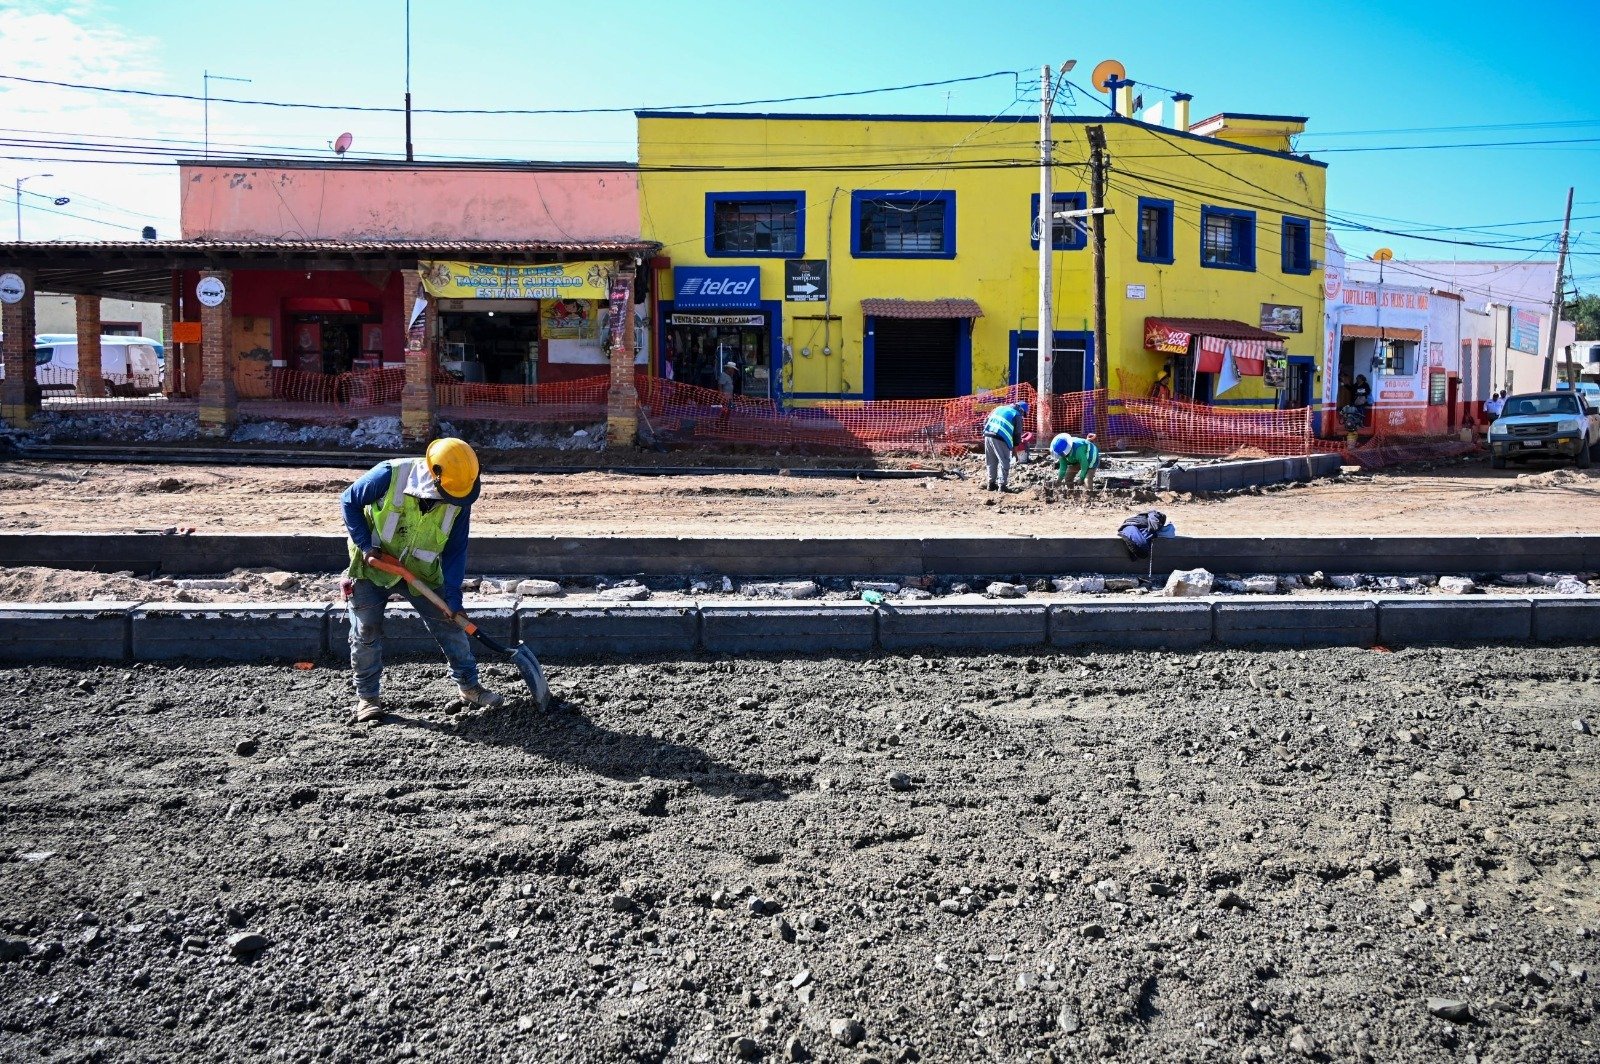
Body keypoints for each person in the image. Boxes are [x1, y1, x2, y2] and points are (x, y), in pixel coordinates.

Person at [341, 438, 501, 723]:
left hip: (420, 568)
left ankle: (470, 687)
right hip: (373, 565)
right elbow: (349, 500)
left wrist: (454, 598)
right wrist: (366, 547)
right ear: (434, 473)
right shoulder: (390, 474)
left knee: (450, 624)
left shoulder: (459, 497)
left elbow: (455, 549)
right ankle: (367, 699)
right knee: (366, 630)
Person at [982, 399, 1029, 492]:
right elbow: (1017, 435)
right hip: (1000, 437)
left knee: (991, 461)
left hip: (987, 435)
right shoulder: (1017, 415)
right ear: (1022, 410)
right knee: (1004, 461)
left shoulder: (999, 408)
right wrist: (1015, 451)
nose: (1023, 416)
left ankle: (991, 484)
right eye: (1024, 414)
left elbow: (985, 421)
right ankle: (1002, 486)